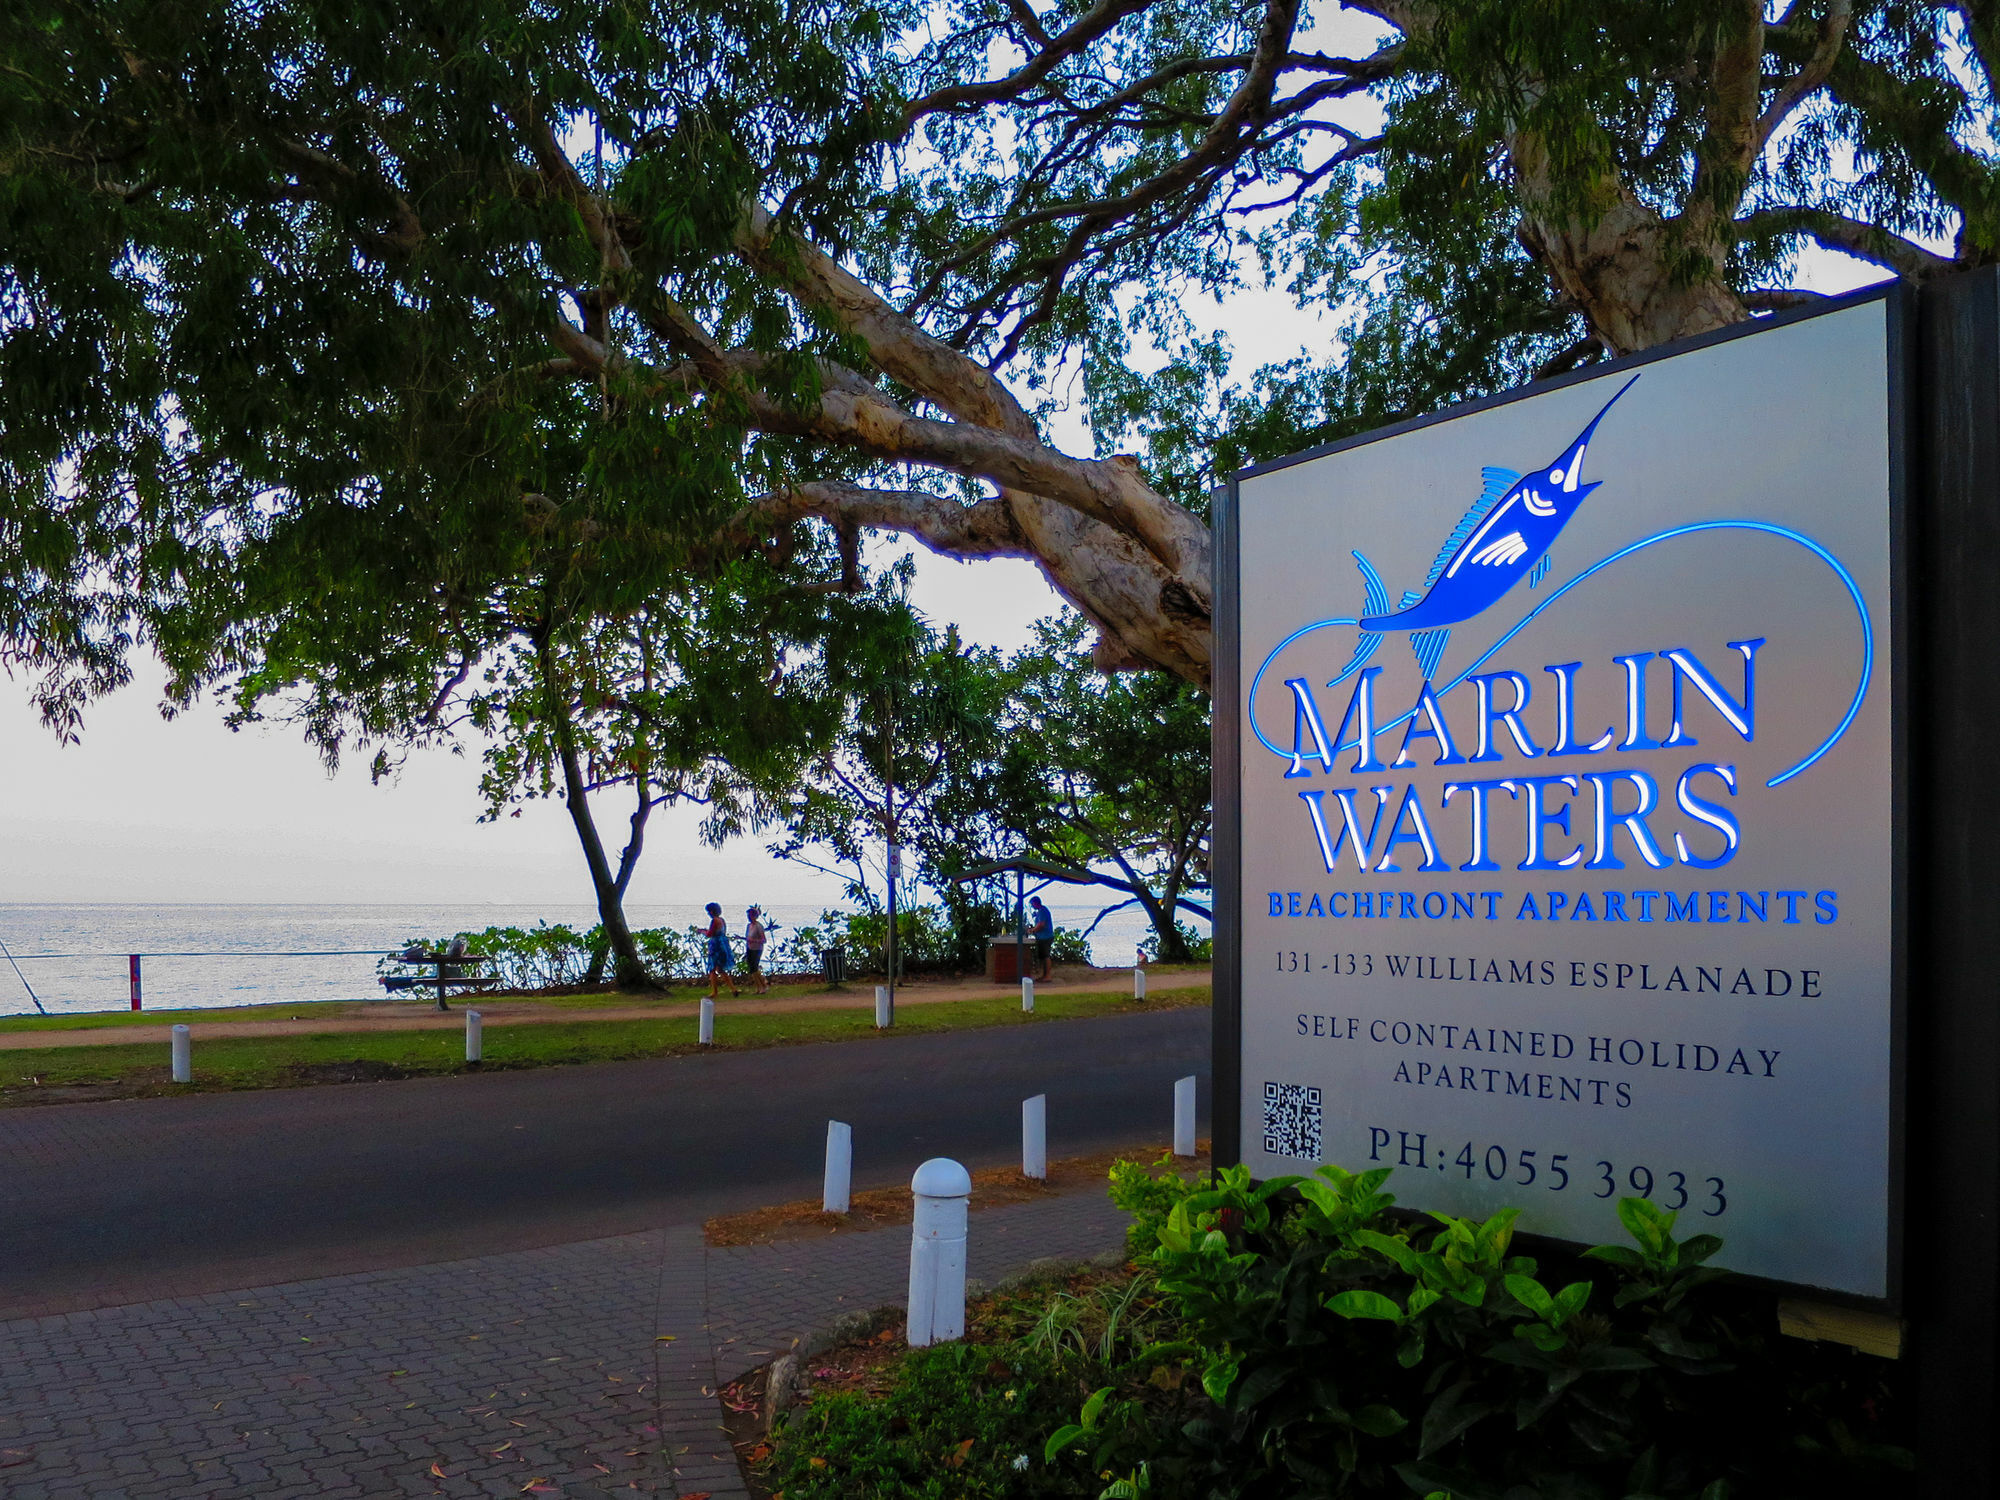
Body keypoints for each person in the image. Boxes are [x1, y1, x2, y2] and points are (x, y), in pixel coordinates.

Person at [704, 902, 739, 998]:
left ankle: (715, 991)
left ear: (711, 911)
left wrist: (702, 931)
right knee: (721, 969)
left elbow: (710, 934)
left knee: (712, 969)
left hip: (716, 946)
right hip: (723, 944)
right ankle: (733, 988)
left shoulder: (714, 921)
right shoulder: (722, 920)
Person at [743, 906, 770, 995]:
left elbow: (764, 940)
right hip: (749, 948)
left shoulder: (759, 926)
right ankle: (759, 987)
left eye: (750, 915)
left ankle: (763, 986)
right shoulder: (749, 926)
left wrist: (754, 941)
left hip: (757, 949)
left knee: (754, 968)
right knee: (752, 969)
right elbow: (747, 937)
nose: (749, 917)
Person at [1029, 895, 1055, 981]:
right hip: (1042, 937)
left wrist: (1032, 930)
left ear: (1035, 903)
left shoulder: (1042, 911)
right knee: (1043, 957)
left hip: (1045, 937)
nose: (1032, 906)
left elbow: (1041, 925)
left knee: (1046, 956)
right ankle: (1044, 975)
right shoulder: (1040, 911)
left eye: (1032, 904)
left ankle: (1048, 976)